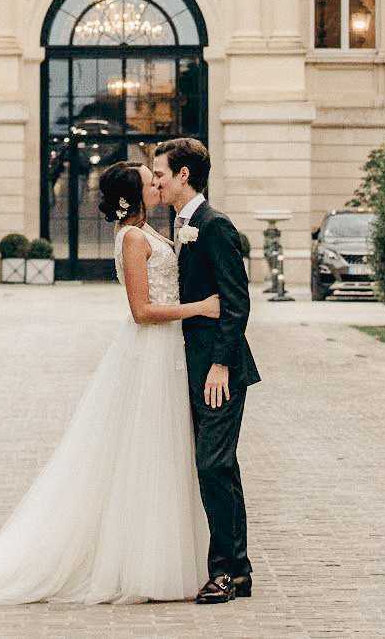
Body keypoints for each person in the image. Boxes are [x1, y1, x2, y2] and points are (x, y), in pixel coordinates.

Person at [0, 163, 217, 606]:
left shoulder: (150, 231)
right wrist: (200, 308)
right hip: (151, 353)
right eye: (149, 180)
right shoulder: (135, 238)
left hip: (167, 353)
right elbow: (141, 310)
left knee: (162, 452)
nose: (157, 183)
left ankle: (163, 556)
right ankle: (144, 566)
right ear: (133, 194)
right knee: (147, 452)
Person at [148, 136, 260, 605]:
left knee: (213, 465)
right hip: (191, 364)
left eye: (160, 174)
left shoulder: (214, 225)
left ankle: (225, 573)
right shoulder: (181, 224)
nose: (155, 181)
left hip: (220, 371)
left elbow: (236, 303)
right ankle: (239, 570)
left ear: (183, 175)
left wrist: (219, 364)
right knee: (217, 467)